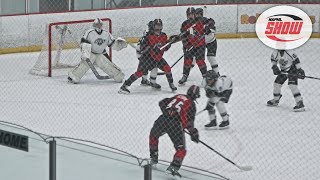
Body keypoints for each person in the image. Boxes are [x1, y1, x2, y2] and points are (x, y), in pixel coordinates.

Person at [149, 85, 200, 177]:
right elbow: (188, 122)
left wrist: (168, 113)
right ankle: (173, 168)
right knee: (181, 149)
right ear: (196, 96)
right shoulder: (191, 104)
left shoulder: (178, 96)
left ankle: (153, 158)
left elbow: (162, 102)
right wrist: (193, 133)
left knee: (153, 136)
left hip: (163, 119)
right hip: (175, 125)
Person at [119, 19, 177, 94]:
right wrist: (152, 49)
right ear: (153, 27)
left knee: (167, 69)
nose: (158, 29)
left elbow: (165, 48)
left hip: (158, 58)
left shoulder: (163, 35)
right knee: (140, 73)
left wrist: (170, 42)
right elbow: (142, 49)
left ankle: (171, 84)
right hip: (147, 59)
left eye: (160, 26)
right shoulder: (147, 36)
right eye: (157, 26)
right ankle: (124, 86)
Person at [68, 18, 127, 84]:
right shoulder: (89, 32)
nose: (98, 26)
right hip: (91, 53)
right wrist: (85, 53)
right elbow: (83, 42)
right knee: (85, 64)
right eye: (97, 24)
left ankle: (118, 76)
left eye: (100, 24)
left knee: (107, 65)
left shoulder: (106, 33)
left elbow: (112, 44)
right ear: (94, 25)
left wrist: (119, 44)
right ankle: (73, 76)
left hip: (100, 54)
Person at [178, 7, 207, 86]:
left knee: (200, 60)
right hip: (189, 46)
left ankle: (205, 77)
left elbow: (211, 22)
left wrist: (208, 26)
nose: (190, 16)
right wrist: (186, 45)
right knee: (187, 61)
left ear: (195, 14)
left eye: (192, 14)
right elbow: (183, 36)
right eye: (188, 15)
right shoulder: (184, 24)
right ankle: (185, 75)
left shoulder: (201, 20)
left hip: (200, 45)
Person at [136, 21, 160, 88]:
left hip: (139, 52)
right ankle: (152, 82)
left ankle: (144, 80)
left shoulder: (146, 33)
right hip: (144, 53)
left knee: (144, 67)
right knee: (154, 66)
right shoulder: (149, 35)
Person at [196, 8, 220, 75]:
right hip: (201, 43)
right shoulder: (194, 22)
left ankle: (217, 73)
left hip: (211, 42)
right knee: (196, 58)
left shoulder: (206, 21)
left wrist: (209, 27)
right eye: (196, 14)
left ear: (201, 14)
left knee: (211, 57)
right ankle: (186, 74)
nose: (197, 16)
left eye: (198, 14)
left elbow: (212, 22)